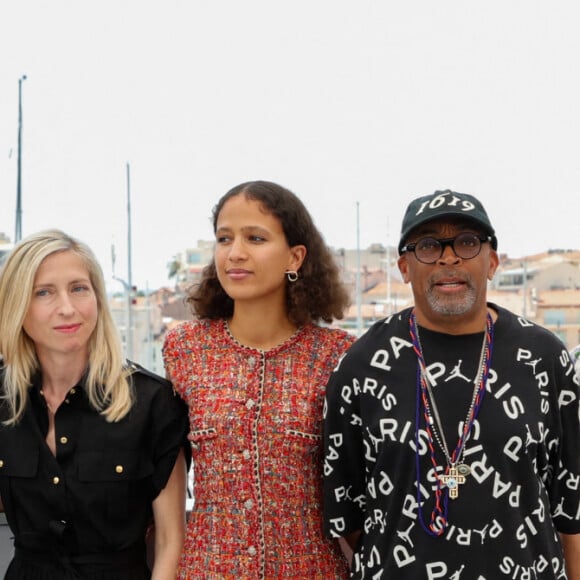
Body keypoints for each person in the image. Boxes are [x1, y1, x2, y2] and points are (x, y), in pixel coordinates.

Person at [323, 189, 580, 579]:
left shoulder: (545, 358)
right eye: (428, 245)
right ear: (405, 267)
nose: (448, 257)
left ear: (492, 261)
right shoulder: (360, 366)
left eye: (467, 242)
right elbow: (347, 511)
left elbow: (571, 508)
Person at [163, 180, 355, 578]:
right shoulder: (185, 350)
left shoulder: (337, 356)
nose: (235, 253)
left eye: (255, 238)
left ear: (295, 258)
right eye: (224, 238)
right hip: (209, 569)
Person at [0, 229, 189, 579]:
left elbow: (169, 543)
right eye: (44, 293)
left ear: (98, 298)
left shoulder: (152, 402)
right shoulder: (3, 400)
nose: (67, 308)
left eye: (78, 288)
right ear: (17, 308)